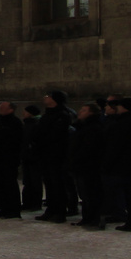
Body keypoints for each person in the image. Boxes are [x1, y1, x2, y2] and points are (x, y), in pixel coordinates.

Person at [100, 97, 131, 232]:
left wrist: (107, 163)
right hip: (128, 163)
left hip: (124, 164)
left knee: (130, 195)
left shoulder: (127, 122)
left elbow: (116, 145)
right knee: (130, 194)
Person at [36, 91, 76, 222]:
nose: (45, 97)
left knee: (58, 184)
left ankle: (60, 211)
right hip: (45, 154)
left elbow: (57, 135)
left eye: (48, 96)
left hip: (57, 154)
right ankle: (51, 209)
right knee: (49, 183)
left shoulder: (63, 115)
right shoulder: (48, 114)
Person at [69, 102, 105, 227]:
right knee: (85, 194)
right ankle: (87, 218)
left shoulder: (94, 128)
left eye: (84, 110)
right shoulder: (83, 126)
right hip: (81, 165)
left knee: (91, 194)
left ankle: (94, 219)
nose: (80, 112)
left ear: (92, 113)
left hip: (89, 166)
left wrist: (78, 158)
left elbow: (88, 148)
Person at [0, 101, 24, 218]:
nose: (0, 108)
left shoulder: (15, 122)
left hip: (9, 158)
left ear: (10, 110)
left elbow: (16, 141)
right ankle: (4, 208)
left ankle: (13, 209)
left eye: (3, 107)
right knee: (0, 184)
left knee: (10, 184)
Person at [20, 104, 44, 211]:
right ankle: (27, 202)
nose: (23, 114)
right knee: (28, 181)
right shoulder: (27, 124)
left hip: (34, 157)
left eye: (25, 112)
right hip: (27, 156)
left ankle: (35, 203)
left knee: (35, 181)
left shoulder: (36, 124)